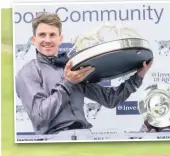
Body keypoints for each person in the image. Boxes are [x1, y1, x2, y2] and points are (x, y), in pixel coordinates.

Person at [14, 12, 153, 140]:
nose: (47, 40)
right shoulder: (27, 73)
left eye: (52, 35)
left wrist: (138, 77)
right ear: (33, 39)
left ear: (60, 38)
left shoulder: (73, 67)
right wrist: (68, 82)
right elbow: (40, 117)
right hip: (54, 140)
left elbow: (110, 99)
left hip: (85, 136)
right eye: (42, 35)